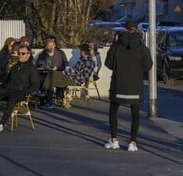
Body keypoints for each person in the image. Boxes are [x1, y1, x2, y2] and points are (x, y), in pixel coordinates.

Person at [104, 19, 152, 152]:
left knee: (113, 112)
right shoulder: (142, 47)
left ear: (124, 29)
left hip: (118, 83)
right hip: (135, 84)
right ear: (137, 30)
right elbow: (148, 66)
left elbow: (108, 63)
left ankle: (114, 140)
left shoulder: (117, 45)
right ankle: (132, 142)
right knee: (135, 114)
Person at [0, 44, 40, 134]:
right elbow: (5, 80)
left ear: (28, 54)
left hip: (20, 92)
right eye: (19, 53)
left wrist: (25, 92)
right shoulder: (14, 67)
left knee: (12, 99)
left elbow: (35, 85)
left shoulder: (32, 68)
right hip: (8, 89)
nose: (20, 55)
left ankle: (1, 125)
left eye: (23, 53)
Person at [40, 43, 95, 109]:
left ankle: (43, 93)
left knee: (52, 77)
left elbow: (83, 76)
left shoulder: (89, 62)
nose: (80, 52)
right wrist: (68, 72)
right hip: (70, 77)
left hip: (73, 80)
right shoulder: (82, 60)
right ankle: (47, 101)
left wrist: (68, 73)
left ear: (83, 51)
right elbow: (75, 70)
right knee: (52, 75)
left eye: (80, 50)